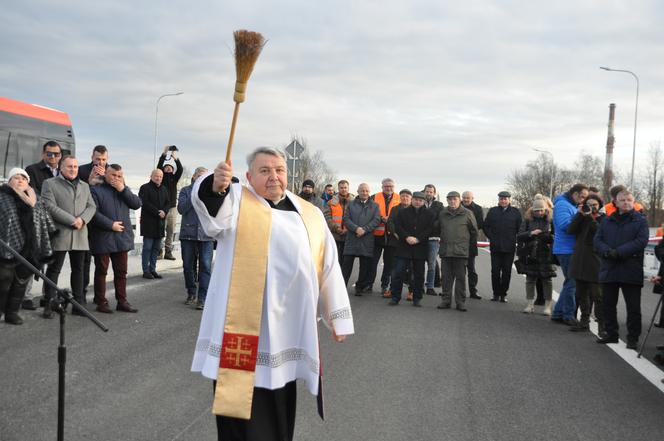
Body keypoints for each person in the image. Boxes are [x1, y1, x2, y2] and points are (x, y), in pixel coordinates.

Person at [189, 147, 353, 440]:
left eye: (279, 170)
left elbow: (328, 266)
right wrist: (216, 185)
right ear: (250, 176)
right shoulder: (238, 201)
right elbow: (210, 205)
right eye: (264, 171)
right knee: (239, 413)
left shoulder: (310, 213)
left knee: (279, 400)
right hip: (242, 330)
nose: (273, 177)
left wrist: (336, 316)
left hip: (287, 329)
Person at [41, 156, 97, 318]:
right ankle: (49, 304)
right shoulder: (50, 184)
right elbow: (49, 206)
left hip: (80, 234)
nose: (73, 169)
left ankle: (78, 305)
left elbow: (92, 206)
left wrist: (82, 220)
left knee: (78, 270)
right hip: (60, 234)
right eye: (69, 166)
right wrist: (72, 220)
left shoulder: (85, 186)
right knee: (54, 270)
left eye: (75, 166)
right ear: (61, 167)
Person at [594, 190, 649, 349]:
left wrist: (619, 252)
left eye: (629, 200)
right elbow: (597, 240)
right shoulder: (607, 221)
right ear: (615, 203)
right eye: (622, 200)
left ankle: (633, 338)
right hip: (609, 267)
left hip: (630, 268)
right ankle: (611, 334)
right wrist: (606, 251)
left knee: (633, 307)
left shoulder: (640, 221)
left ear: (633, 202)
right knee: (608, 304)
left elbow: (641, 241)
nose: (626, 202)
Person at [0, 168, 55, 324]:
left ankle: (12, 313)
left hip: (29, 249)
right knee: (4, 280)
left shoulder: (35, 199)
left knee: (21, 282)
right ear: (9, 181)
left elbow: (44, 223)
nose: (20, 180)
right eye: (16, 177)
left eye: (23, 178)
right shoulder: (2, 197)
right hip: (6, 247)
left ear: (28, 182)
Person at [89, 164, 141, 313]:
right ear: (106, 174)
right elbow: (93, 213)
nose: (116, 178)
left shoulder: (124, 190)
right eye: (113, 175)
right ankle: (101, 301)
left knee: (121, 272)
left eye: (119, 176)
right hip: (103, 237)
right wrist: (110, 225)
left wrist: (123, 190)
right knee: (101, 271)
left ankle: (122, 301)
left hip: (121, 238)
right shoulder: (96, 190)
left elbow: (137, 204)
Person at [22, 140, 61, 311]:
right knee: (33, 259)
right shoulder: (32, 170)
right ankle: (26, 296)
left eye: (56, 154)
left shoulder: (63, 171)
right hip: (39, 221)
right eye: (49, 153)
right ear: (43, 154)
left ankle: (48, 296)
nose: (53, 157)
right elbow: (34, 194)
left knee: (53, 263)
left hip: (59, 222)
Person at [551, 183, 589, 325]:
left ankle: (558, 313)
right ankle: (567, 315)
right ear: (574, 194)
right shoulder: (562, 205)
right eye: (582, 197)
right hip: (566, 249)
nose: (583, 200)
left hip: (571, 249)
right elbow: (565, 225)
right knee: (572, 283)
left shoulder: (570, 205)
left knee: (570, 282)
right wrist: (581, 217)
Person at [178, 167, 215, 309]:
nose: (201, 179)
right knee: (188, 266)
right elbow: (181, 209)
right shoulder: (186, 191)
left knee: (205, 267)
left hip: (206, 235)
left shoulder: (212, 192)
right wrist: (195, 194)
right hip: (188, 234)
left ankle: (202, 298)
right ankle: (191, 293)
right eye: (199, 176)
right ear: (194, 177)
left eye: (204, 177)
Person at [568, 194, 605, 332]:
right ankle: (584, 321)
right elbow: (570, 230)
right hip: (580, 259)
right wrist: (579, 215)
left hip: (595, 261)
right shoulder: (582, 218)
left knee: (598, 295)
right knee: (581, 293)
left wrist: (589, 216)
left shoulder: (604, 219)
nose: (591, 207)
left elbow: (599, 232)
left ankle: (602, 325)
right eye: (588, 204)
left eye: (594, 204)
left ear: (599, 206)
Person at [77, 144, 109, 305]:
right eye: (98, 159)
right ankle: (81, 296)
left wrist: (107, 179)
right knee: (84, 261)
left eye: (103, 159)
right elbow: (76, 195)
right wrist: (89, 181)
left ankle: (100, 298)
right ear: (92, 157)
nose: (100, 163)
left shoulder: (111, 172)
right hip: (86, 223)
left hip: (104, 224)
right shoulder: (81, 170)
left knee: (102, 264)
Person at [389, 191, 434, 307]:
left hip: (420, 247)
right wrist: (407, 237)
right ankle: (395, 297)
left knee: (418, 274)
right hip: (404, 246)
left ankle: (417, 298)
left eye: (420, 200)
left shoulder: (429, 214)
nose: (418, 202)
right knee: (398, 273)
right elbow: (397, 226)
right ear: (412, 200)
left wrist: (418, 239)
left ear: (423, 202)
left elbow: (430, 229)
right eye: (416, 199)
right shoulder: (402, 212)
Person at [437, 191, 477, 311]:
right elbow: (439, 228)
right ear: (447, 201)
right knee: (446, 277)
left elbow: (474, 231)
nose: (452, 201)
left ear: (459, 200)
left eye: (454, 199)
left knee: (460, 278)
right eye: (450, 199)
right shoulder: (443, 213)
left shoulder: (467, 213)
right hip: (445, 250)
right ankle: (446, 300)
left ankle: (460, 302)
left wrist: (464, 244)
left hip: (460, 251)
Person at [516, 195, 556, 315]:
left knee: (547, 280)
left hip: (546, 253)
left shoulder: (551, 220)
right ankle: (529, 304)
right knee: (530, 279)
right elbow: (519, 235)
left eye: (541, 210)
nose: (539, 212)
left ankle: (548, 306)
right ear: (532, 210)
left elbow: (556, 236)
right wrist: (531, 233)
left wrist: (548, 236)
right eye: (536, 210)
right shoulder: (528, 220)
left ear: (546, 210)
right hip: (530, 253)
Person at [341, 183, 381, 295]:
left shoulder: (375, 206)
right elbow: (346, 219)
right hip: (352, 238)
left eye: (366, 191)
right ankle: (342, 287)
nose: (364, 193)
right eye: (362, 190)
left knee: (364, 266)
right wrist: (356, 229)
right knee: (347, 264)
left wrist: (364, 230)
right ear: (358, 191)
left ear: (369, 192)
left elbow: (376, 220)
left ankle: (360, 287)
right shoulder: (351, 204)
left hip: (366, 238)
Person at [483, 191, 522, 302]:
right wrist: (491, 237)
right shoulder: (493, 211)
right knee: (495, 271)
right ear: (499, 200)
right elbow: (486, 226)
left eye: (505, 199)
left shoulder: (515, 212)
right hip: (495, 247)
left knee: (507, 272)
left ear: (509, 200)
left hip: (509, 248)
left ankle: (503, 294)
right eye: (501, 199)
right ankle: (495, 293)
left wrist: (518, 242)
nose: (503, 201)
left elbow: (520, 229)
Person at [368, 178, 401, 296]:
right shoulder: (374, 197)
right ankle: (369, 284)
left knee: (389, 264)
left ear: (394, 187)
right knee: (372, 262)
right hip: (376, 235)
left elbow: (402, 214)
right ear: (382, 187)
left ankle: (384, 285)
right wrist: (381, 218)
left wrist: (391, 220)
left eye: (391, 186)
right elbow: (369, 213)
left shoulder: (399, 198)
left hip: (392, 237)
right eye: (386, 186)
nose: (389, 188)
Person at [139, 169, 170, 279]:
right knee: (147, 247)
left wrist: (164, 211)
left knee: (156, 248)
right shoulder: (144, 188)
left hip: (160, 223)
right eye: (156, 176)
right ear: (151, 176)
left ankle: (153, 269)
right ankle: (145, 270)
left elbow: (168, 203)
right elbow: (145, 203)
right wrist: (158, 212)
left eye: (160, 176)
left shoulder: (164, 189)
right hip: (149, 223)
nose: (158, 178)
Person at [157, 145, 183, 260]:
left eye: (170, 167)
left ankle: (168, 251)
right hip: (161, 208)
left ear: (173, 170)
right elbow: (159, 166)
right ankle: (159, 251)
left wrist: (174, 157)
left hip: (172, 208)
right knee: (160, 230)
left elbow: (180, 169)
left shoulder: (174, 179)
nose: (168, 168)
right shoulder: (160, 179)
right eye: (166, 167)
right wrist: (164, 153)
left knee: (170, 230)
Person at [387, 189, 413, 300]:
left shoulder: (415, 210)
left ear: (411, 198)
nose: (405, 198)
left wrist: (408, 237)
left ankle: (412, 292)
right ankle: (392, 290)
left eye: (407, 196)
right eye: (402, 196)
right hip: (396, 242)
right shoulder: (395, 209)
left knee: (411, 269)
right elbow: (390, 222)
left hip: (410, 244)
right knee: (395, 268)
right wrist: (395, 233)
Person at [323, 180, 353, 264]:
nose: (343, 189)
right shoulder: (330, 202)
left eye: (345, 187)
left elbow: (356, 218)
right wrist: (336, 228)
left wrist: (348, 229)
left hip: (349, 236)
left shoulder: (354, 203)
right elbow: (327, 217)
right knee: (334, 260)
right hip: (334, 235)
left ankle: (344, 277)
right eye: (341, 188)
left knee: (346, 263)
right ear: (338, 188)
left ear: (348, 188)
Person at [461, 191, 484, 299]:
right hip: (458, 241)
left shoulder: (478, 209)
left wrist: (466, 230)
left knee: (471, 269)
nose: (465, 200)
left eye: (468, 198)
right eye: (464, 198)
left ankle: (473, 291)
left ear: (472, 198)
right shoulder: (457, 206)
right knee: (458, 269)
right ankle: (459, 291)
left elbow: (479, 225)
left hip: (471, 241)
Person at [423, 184, 444, 296]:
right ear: (424, 192)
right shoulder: (419, 202)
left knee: (431, 264)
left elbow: (440, 220)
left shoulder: (439, 205)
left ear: (434, 193)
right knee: (419, 263)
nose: (429, 193)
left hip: (433, 239)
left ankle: (430, 286)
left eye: (431, 192)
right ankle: (419, 286)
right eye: (427, 191)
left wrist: (429, 226)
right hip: (420, 239)